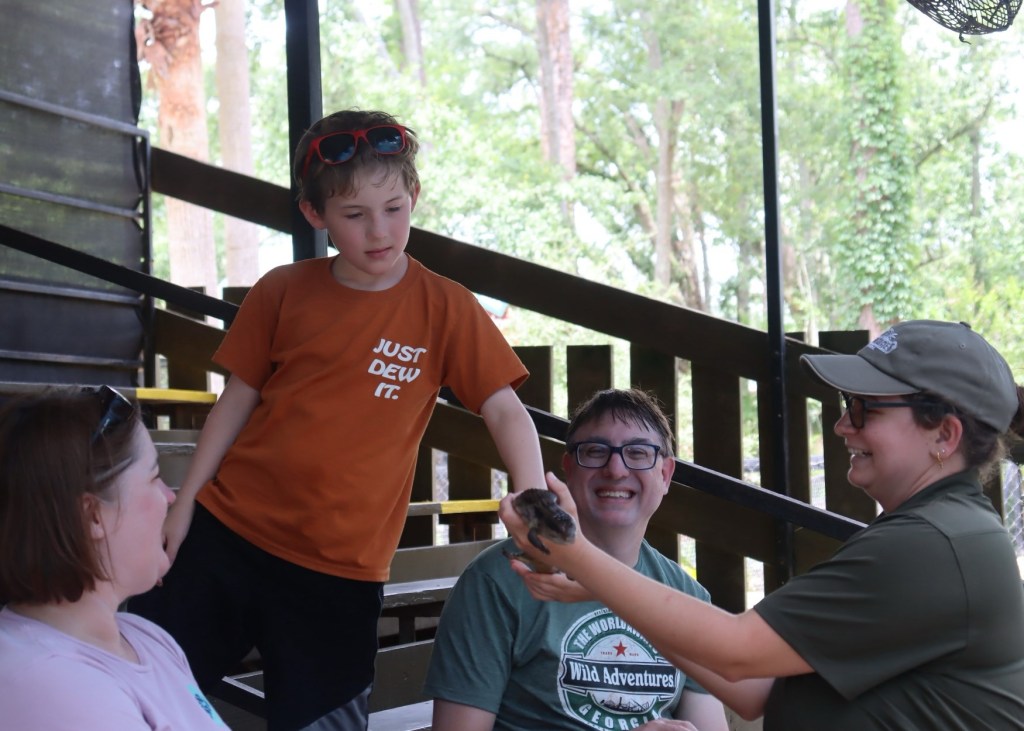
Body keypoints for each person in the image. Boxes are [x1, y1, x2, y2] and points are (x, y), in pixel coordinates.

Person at [130, 108, 547, 731]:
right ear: (315, 214)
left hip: (340, 572)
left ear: (414, 196)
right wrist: (186, 502)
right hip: (227, 536)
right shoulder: (282, 290)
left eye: (393, 208)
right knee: (139, 690)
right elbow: (236, 400)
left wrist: (534, 497)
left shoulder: (447, 307)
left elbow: (504, 407)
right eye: (354, 215)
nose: (379, 231)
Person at [499, 320, 1024, 730]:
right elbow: (755, 690)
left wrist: (574, 554)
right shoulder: (939, 533)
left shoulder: (931, 546)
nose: (843, 424)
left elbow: (736, 651)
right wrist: (598, 584)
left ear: (944, 435)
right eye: (848, 405)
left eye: (865, 409)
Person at [425, 388, 729, 731]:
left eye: (638, 453)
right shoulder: (497, 580)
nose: (616, 469)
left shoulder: (686, 595)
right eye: (596, 451)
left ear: (665, 475)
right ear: (568, 469)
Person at [0, 386, 226, 730]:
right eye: (154, 477)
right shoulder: (55, 685)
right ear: (92, 516)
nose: (168, 496)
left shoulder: (146, 638)